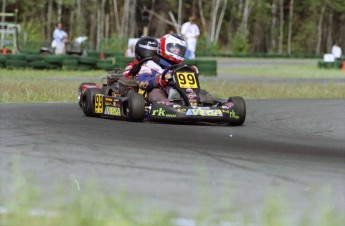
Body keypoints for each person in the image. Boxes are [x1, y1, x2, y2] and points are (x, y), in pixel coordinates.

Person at [136, 33, 194, 102]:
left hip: (181, 93)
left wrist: (192, 72)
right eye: (174, 48)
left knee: (200, 93)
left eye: (180, 50)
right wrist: (158, 81)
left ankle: (199, 103)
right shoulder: (151, 64)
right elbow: (141, 81)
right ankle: (167, 105)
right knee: (156, 92)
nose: (178, 51)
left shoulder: (181, 68)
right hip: (159, 92)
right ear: (164, 47)